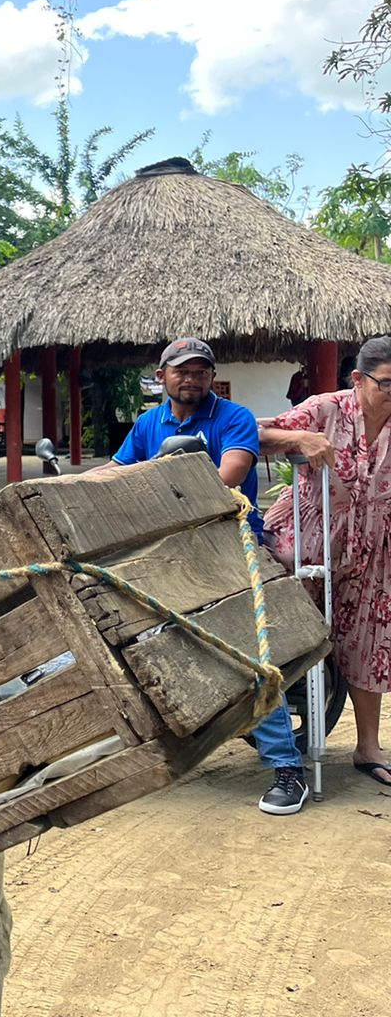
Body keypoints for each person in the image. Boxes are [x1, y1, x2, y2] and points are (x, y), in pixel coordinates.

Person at [108, 337, 310, 814]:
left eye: (201, 370)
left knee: (246, 649)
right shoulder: (147, 423)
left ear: (211, 377)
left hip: (229, 545)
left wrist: (149, 484)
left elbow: (228, 476)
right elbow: (114, 473)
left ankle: (287, 768)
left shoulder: (233, 417)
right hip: (165, 549)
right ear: (162, 376)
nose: (191, 377)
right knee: (114, 624)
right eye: (182, 370)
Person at [259, 335, 391, 791]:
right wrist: (298, 435)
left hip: (372, 550)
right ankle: (279, 748)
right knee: (281, 638)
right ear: (358, 379)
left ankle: (368, 747)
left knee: (369, 640)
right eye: (387, 384)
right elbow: (253, 433)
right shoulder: (327, 408)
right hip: (304, 543)